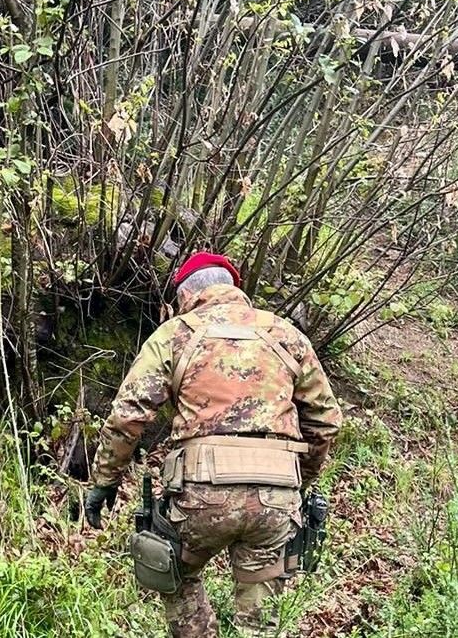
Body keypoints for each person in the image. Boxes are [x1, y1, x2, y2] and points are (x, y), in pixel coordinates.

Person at [82, 251, 343, 638]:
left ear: (184, 295)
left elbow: (128, 415)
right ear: (234, 288)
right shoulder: (285, 334)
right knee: (260, 621)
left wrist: (105, 480)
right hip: (276, 499)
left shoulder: (175, 333)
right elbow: (326, 419)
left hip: (200, 494)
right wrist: (300, 480)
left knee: (172, 573)